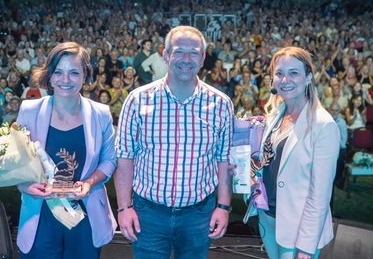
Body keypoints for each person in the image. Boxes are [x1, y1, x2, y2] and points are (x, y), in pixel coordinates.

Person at [115, 25, 234, 259]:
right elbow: (125, 157)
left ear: (203, 59)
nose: (186, 59)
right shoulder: (138, 100)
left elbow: (223, 160)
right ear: (166, 54)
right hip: (148, 213)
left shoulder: (221, 104)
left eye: (194, 52)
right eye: (179, 51)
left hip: (199, 214)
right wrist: (124, 207)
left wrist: (223, 206)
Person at [15, 42, 117, 258]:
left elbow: (109, 160)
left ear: (85, 75)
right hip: (40, 214)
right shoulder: (29, 110)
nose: (65, 80)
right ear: (49, 76)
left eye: (73, 73)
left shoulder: (101, 114)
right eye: (58, 72)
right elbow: (17, 161)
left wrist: (89, 183)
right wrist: (24, 185)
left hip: (85, 215)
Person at [252, 46, 339, 259]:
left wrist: (306, 247)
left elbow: (320, 196)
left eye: (294, 73)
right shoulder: (275, 116)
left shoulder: (323, 125)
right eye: (279, 73)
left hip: (299, 228)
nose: (285, 79)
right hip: (268, 219)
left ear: (308, 77)